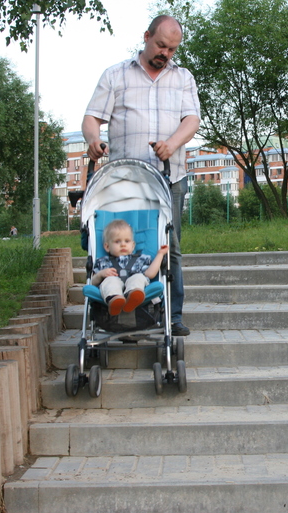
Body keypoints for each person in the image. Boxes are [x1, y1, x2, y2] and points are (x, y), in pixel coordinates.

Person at [82, 14, 199, 337]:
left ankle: (172, 316)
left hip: (169, 178)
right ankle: (118, 313)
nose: (166, 54)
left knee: (170, 246)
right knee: (119, 241)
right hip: (125, 181)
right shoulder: (116, 75)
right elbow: (92, 117)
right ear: (146, 36)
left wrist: (171, 144)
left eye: (172, 49)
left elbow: (191, 120)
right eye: (161, 45)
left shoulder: (183, 78)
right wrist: (93, 140)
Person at [92, 219, 169, 316]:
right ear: (107, 247)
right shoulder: (102, 262)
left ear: (133, 246)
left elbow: (150, 274)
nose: (123, 244)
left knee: (139, 277)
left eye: (127, 241)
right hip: (113, 288)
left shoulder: (141, 259)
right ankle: (115, 301)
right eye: (117, 241)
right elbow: (92, 282)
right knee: (110, 280)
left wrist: (160, 254)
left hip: (134, 286)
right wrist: (100, 274)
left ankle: (132, 297)